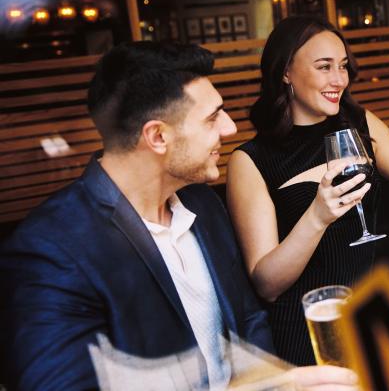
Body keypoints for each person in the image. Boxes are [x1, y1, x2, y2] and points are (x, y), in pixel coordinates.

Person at [0, 42, 358, 390]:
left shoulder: (202, 205)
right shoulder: (49, 252)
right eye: (213, 117)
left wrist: (276, 384)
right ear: (157, 136)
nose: (230, 128)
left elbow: (249, 321)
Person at [227, 16, 389, 365]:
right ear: (285, 71)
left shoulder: (362, 124)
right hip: (309, 331)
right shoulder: (250, 161)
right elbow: (267, 284)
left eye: (343, 66)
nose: (339, 79)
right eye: (324, 67)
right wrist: (317, 217)